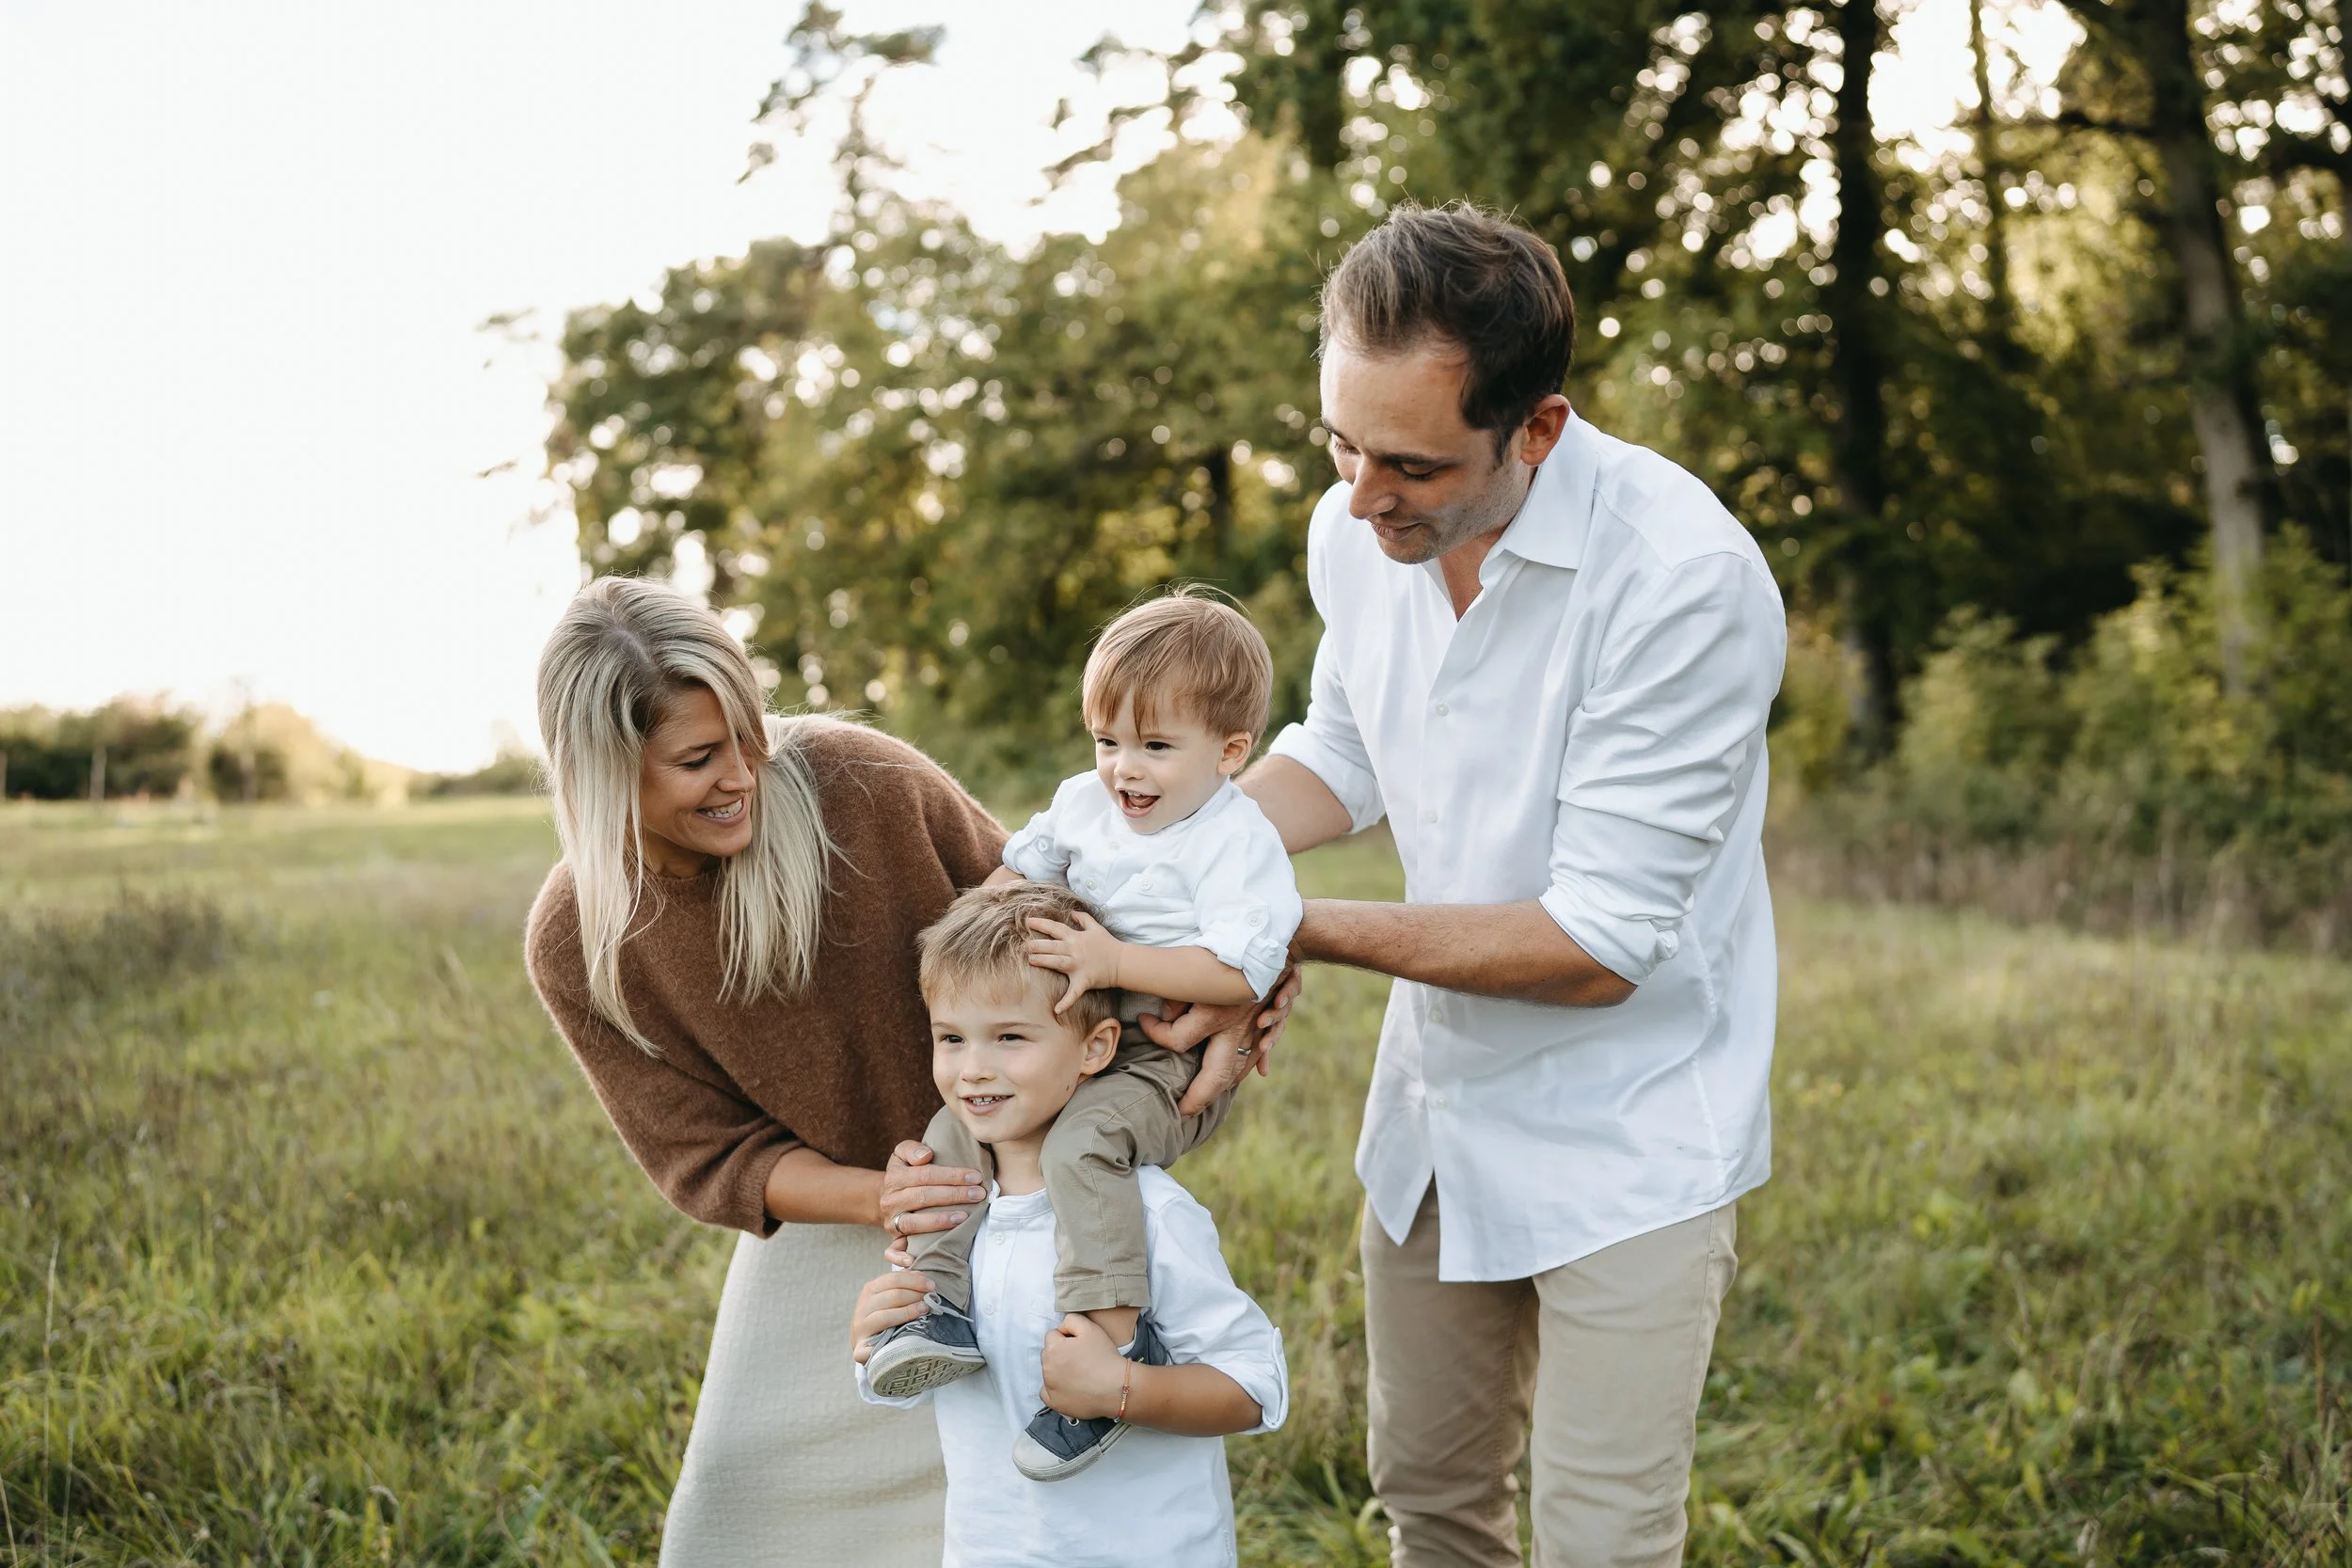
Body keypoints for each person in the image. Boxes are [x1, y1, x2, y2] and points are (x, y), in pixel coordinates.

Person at [1229, 201, 1788, 1565]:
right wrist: (1175, 852)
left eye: (1408, 462)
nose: (1362, 497)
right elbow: (1343, 754)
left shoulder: (1684, 581)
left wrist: (1284, 926)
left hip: (1633, 1137)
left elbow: (1599, 941)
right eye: (1341, 445)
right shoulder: (1356, 528)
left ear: (1537, 428)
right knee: (1429, 1496)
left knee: (1600, 1542)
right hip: (1434, 1119)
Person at [522, 577, 1010, 1566]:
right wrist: (889, 1197)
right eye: (699, 759)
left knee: (1027, 1464)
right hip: (841, 1205)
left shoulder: (860, 778)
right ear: (605, 773)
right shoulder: (578, 937)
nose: (743, 773)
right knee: (740, 1493)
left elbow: (1040, 909)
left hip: (1026, 1166)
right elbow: (709, 1156)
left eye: (748, 736)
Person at [865, 591, 1301, 1482]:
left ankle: (1110, 1336)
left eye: (1155, 746)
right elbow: (1008, 879)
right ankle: (941, 1305)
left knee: (1083, 1144)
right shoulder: (1083, 804)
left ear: (1229, 752)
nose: (1123, 770)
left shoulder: (1235, 843)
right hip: (1079, 1027)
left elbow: (1239, 977)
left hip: (1169, 1057)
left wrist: (1114, 957)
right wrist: (972, 944)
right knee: (956, 1132)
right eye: (1108, 742)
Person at [852, 880, 1289, 1567]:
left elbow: (1253, 1385)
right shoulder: (946, 1214)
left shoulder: (1149, 1212)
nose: (973, 1069)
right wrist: (880, 1328)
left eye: (1010, 1037)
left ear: (1095, 1047)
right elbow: (934, 1386)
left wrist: (1127, 1388)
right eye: (952, 1038)